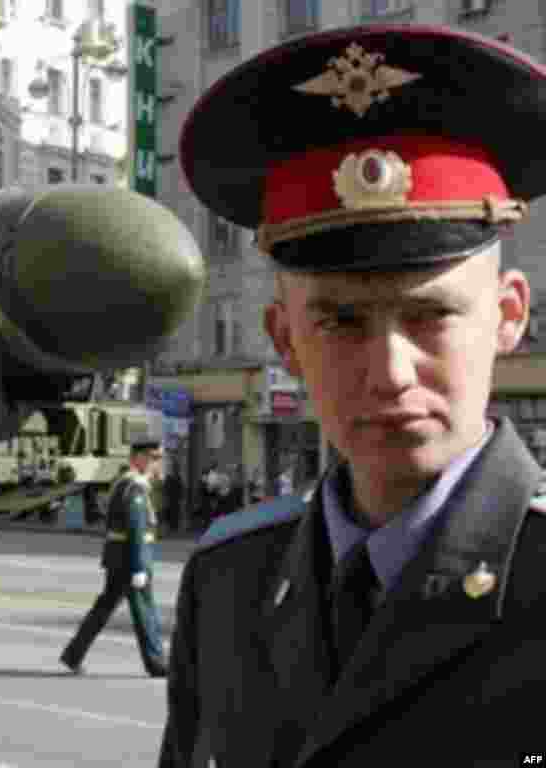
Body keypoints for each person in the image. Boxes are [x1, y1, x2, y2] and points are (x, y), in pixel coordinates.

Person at [160, 25, 546, 767]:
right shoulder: (229, 581)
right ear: (284, 340)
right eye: (341, 321)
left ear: (507, 316)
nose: (390, 371)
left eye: (431, 314)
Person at [61, 440, 168, 678]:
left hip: (119, 558)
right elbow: (136, 528)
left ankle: (73, 655)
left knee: (103, 609)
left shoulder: (126, 483)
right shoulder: (134, 486)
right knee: (145, 612)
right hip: (130, 560)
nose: (156, 464)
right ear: (138, 458)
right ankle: (157, 663)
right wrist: (139, 566)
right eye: (153, 459)